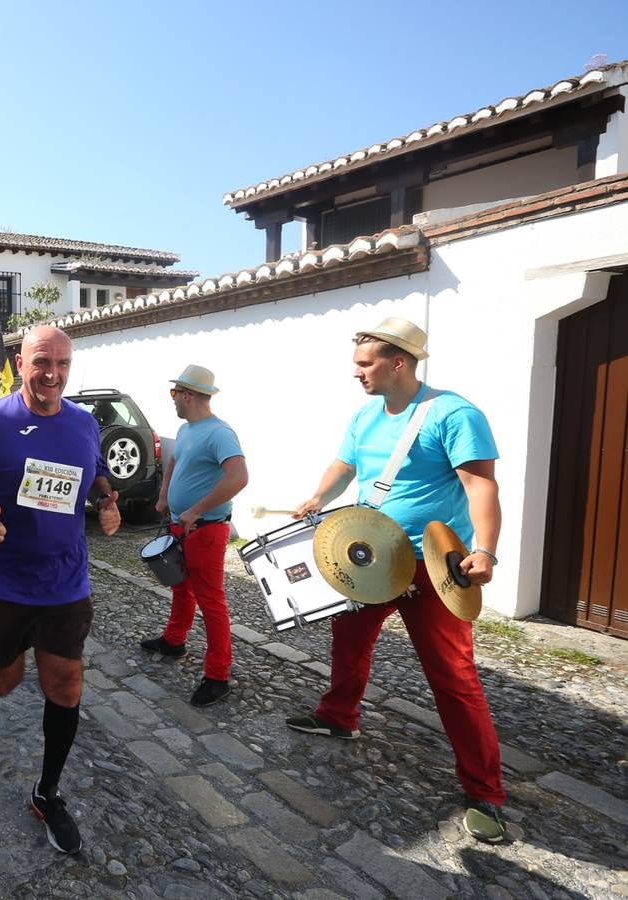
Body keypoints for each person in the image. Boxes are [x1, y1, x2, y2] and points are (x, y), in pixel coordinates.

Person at [287, 316, 507, 843]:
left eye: (366, 364)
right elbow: (345, 464)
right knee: (349, 641)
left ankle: (486, 792)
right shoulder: (366, 415)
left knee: (453, 676)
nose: (357, 373)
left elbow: (481, 486)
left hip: (432, 568)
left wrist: (486, 551)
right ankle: (339, 715)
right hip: (371, 561)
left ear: (399, 362)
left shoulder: (454, 414)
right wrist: (319, 496)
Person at [0, 325, 120, 855]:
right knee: (8, 681)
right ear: (20, 362)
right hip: (0, 581)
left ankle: (47, 792)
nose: (52, 374)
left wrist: (107, 501)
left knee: (65, 683)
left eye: (62, 363)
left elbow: (97, 472)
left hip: (65, 579)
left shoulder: (83, 423)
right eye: (41, 362)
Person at [141, 365, 248, 707]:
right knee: (180, 586)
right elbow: (174, 463)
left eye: (175, 394)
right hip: (181, 525)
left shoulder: (220, 433)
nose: (173, 400)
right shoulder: (187, 429)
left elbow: (238, 477)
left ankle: (218, 676)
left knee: (211, 601)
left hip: (205, 530)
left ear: (187, 395)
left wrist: (197, 509)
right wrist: (164, 496)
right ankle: (174, 640)